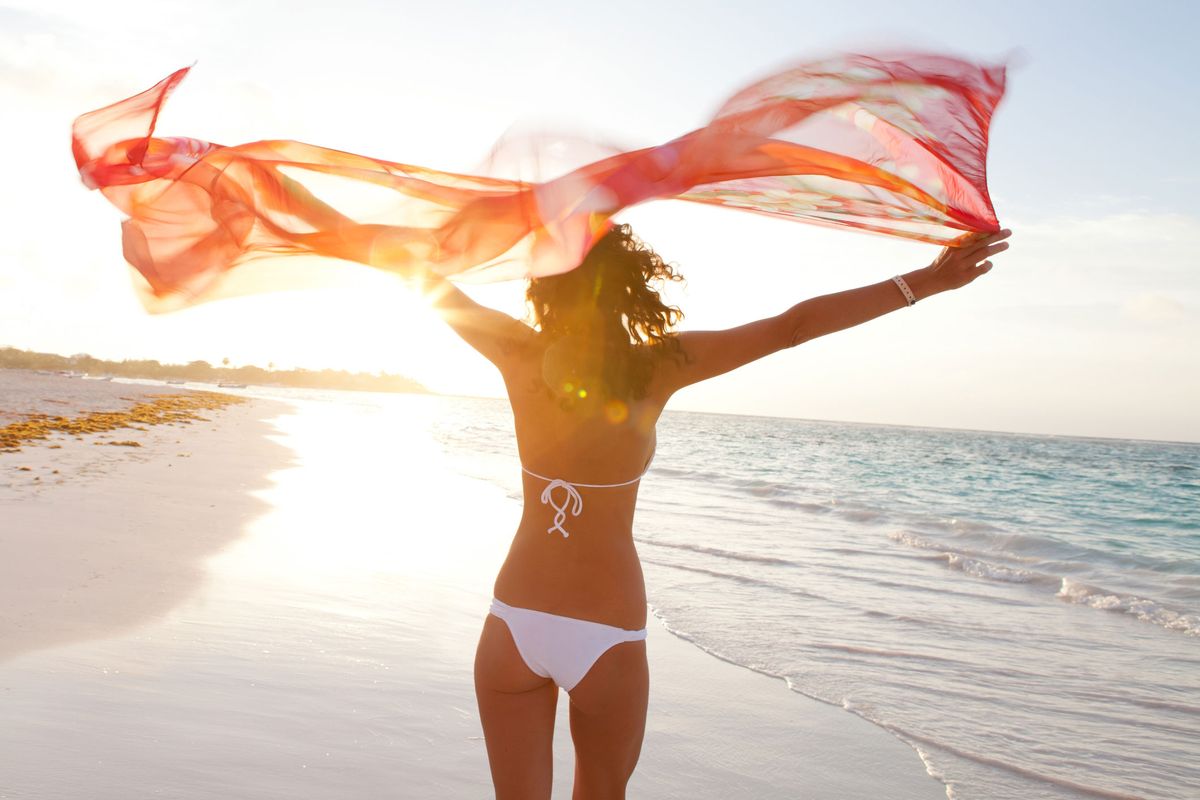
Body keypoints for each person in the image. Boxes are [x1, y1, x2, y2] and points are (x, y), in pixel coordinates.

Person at [416, 222, 1011, 799]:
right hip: (605, 632)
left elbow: (418, 276)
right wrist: (925, 282)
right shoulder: (660, 365)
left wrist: (326, 213)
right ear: (630, 287)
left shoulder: (516, 351)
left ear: (542, 286)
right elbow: (791, 327)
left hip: (513, 620)